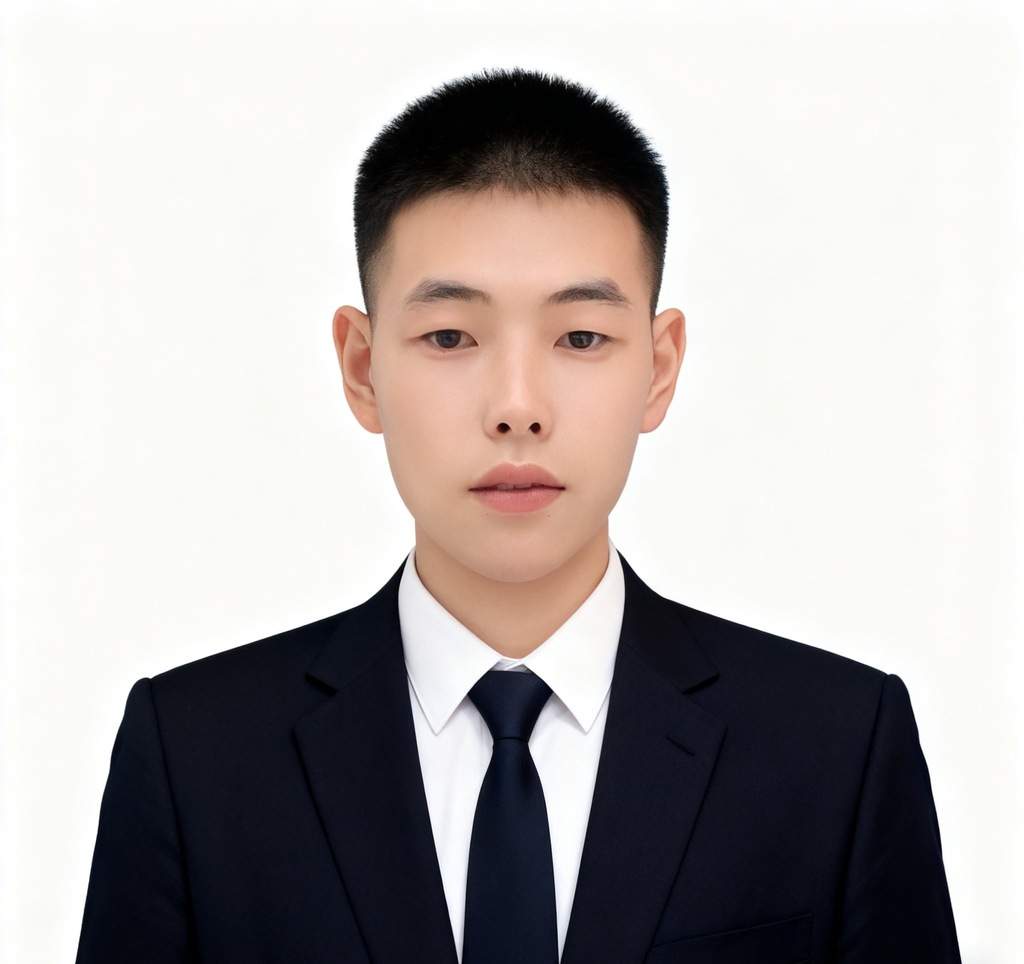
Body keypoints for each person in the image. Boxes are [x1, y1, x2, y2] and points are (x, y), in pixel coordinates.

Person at [76, 69, 961, 963]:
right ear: (361, 367)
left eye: (580, 337)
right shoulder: (194, 756)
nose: (517, 408)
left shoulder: (837, 746)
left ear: (658, 369)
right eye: (449, 336)